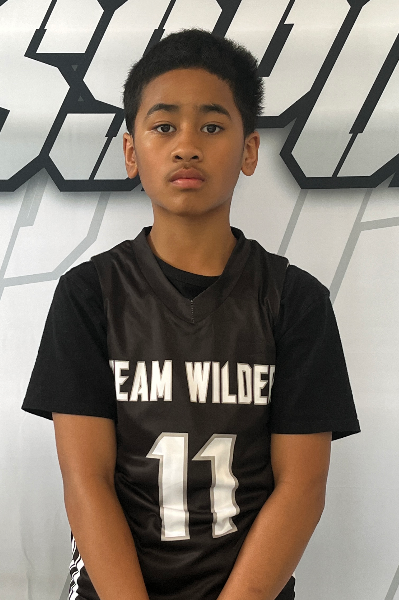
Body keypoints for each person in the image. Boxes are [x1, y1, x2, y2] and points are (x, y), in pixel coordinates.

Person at [22, 28, 360, 600]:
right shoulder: (88, 295)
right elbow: (86, 481)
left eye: (211, 126)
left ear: (249, 150)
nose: (186, 146)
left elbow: (302, 486)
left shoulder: (296, 301)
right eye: (163, 126)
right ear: (131, 152)